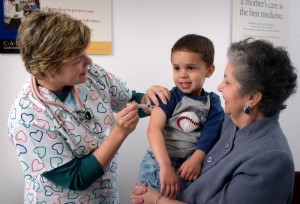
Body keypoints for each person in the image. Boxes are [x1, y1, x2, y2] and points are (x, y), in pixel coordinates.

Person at [7, 10, 168, 204]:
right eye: (78, 60)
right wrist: (118, 133)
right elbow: (76, 178)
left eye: (85, 53)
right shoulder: (26, 116)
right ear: (49, 70)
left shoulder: (89, 73)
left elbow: (129, 100)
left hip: (106, 197)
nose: (89, 62)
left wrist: (154, 100)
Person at [130, 38, 298, 204]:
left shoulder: (272, 160)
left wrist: (157, 200)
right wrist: (153, 95)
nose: (219, 87)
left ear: (252, 97)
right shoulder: (229, 121)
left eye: (227, 81)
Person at [138, 34, 224, 198]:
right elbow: (154, 129)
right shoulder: (169, 97)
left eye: (191, 68)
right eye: (177, 68)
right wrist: (165, 166)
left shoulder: (212, 102)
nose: (182, 74)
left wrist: (197, 159)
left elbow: (210, 134)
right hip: (159, 163)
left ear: (209, 70)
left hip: (190, 165)